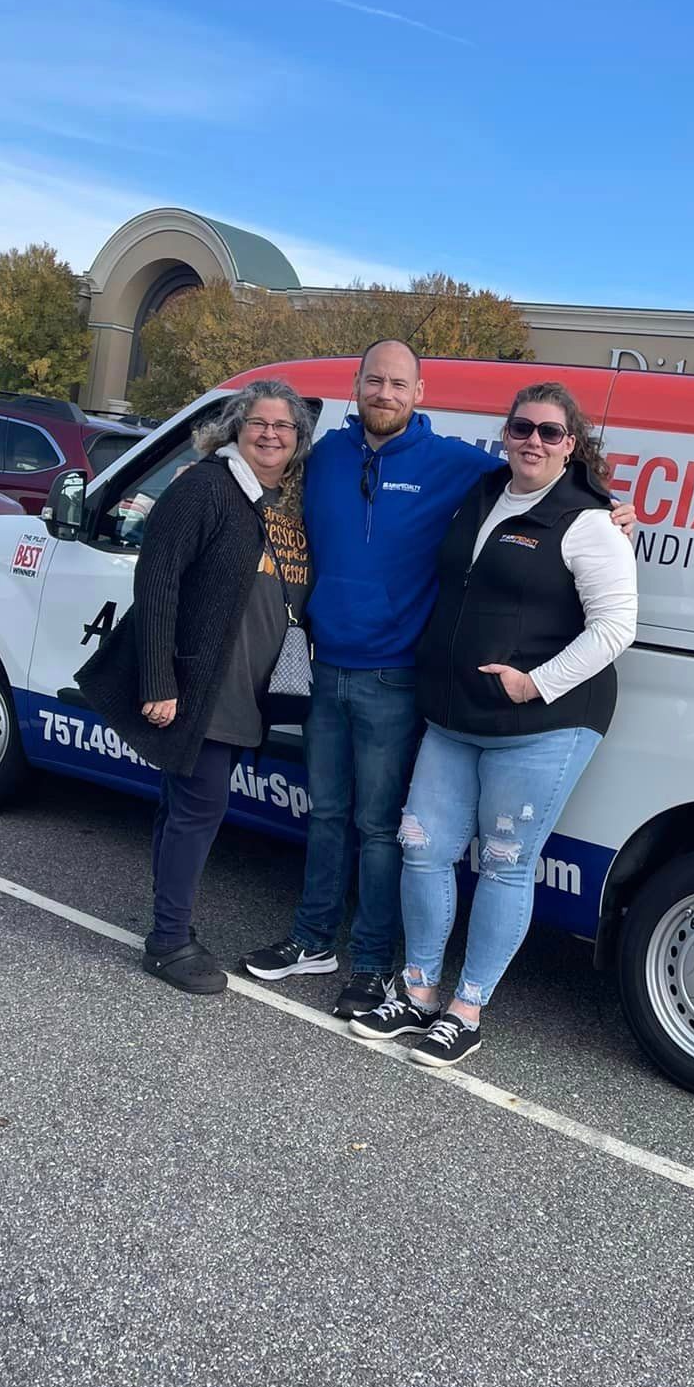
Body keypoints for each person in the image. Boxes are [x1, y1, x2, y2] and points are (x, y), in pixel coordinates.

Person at [348, 379, 637, 1068]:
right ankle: (417, 992)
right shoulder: (483, 493)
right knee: (421, 846)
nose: (532, 441)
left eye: (550, 432)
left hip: (543, 724)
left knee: (506, 864)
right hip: (454, 715)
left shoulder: (590, 521)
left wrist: (534, 685)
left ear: (573, 446)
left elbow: (617, 627)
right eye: (521, 428)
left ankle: (466, 1010)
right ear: (505, 434)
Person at [242, 341, 515, 1017]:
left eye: (398, 383)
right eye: (374, 381)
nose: (385, 393)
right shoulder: (326, 454)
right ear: (356, 385)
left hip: (392, 679)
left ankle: (370, 963)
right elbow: (254, 466)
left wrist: (609, 506)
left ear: (420, 392)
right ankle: (312, 940)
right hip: (323, 665)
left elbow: (538, 476)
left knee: (377, 827)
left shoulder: (451, 461)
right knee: (326, 815)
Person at [78, 379, 314, 996]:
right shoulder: (207, 487)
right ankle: (168, 940)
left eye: (283, 427)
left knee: (182, 805)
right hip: (201, 685)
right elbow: (157, 584)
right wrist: (159, 680)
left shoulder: (277, 500)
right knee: (198, 809)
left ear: (298, 440)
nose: (270, 434)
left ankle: (169, 924)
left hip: (246, 688)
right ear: (236, 428)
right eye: (259, 423)